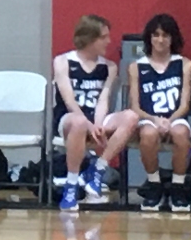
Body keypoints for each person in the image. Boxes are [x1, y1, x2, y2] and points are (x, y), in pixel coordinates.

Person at [52, 15, 137, 212]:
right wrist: (88, 124)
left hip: (95, 118)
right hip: (68, 119)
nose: (109, 41)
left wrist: (97, 125)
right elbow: (69, 100)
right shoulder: (63, 61)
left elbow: (103, 99)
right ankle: (71, 185)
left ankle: (98, 170)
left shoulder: (109, 67)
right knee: (79, 122)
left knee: (131, 116)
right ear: (89, 38)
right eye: (103, 37)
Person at [128, 14, 191, 212]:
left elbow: (185, 104)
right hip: (148, 118)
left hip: (176, 116)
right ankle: (154, 184)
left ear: (173, 38)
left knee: (181, 134)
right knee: (148, 135)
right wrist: (155, 120)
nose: (160, 40)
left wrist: (168, 120)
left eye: (165, 35)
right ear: (149, 37)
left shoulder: (185, 65)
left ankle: (178, 186)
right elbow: (135, 107)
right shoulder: (136, 67)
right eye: (156, 35)